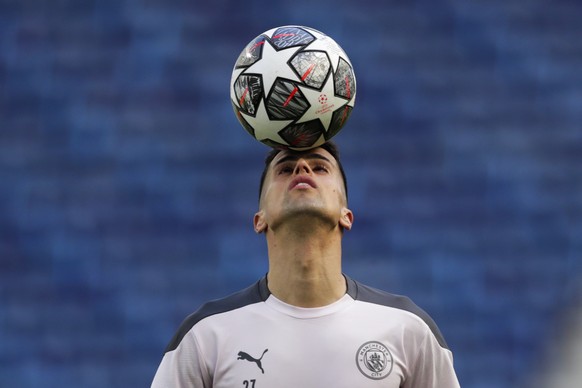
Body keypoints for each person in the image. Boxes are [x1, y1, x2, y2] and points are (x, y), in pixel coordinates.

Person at [151, 141, 460, 387]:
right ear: (260, 219)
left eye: (320, 167)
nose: (302, 167)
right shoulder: (205, 335)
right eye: (285, 169)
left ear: (346, 215)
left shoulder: (408, 330)